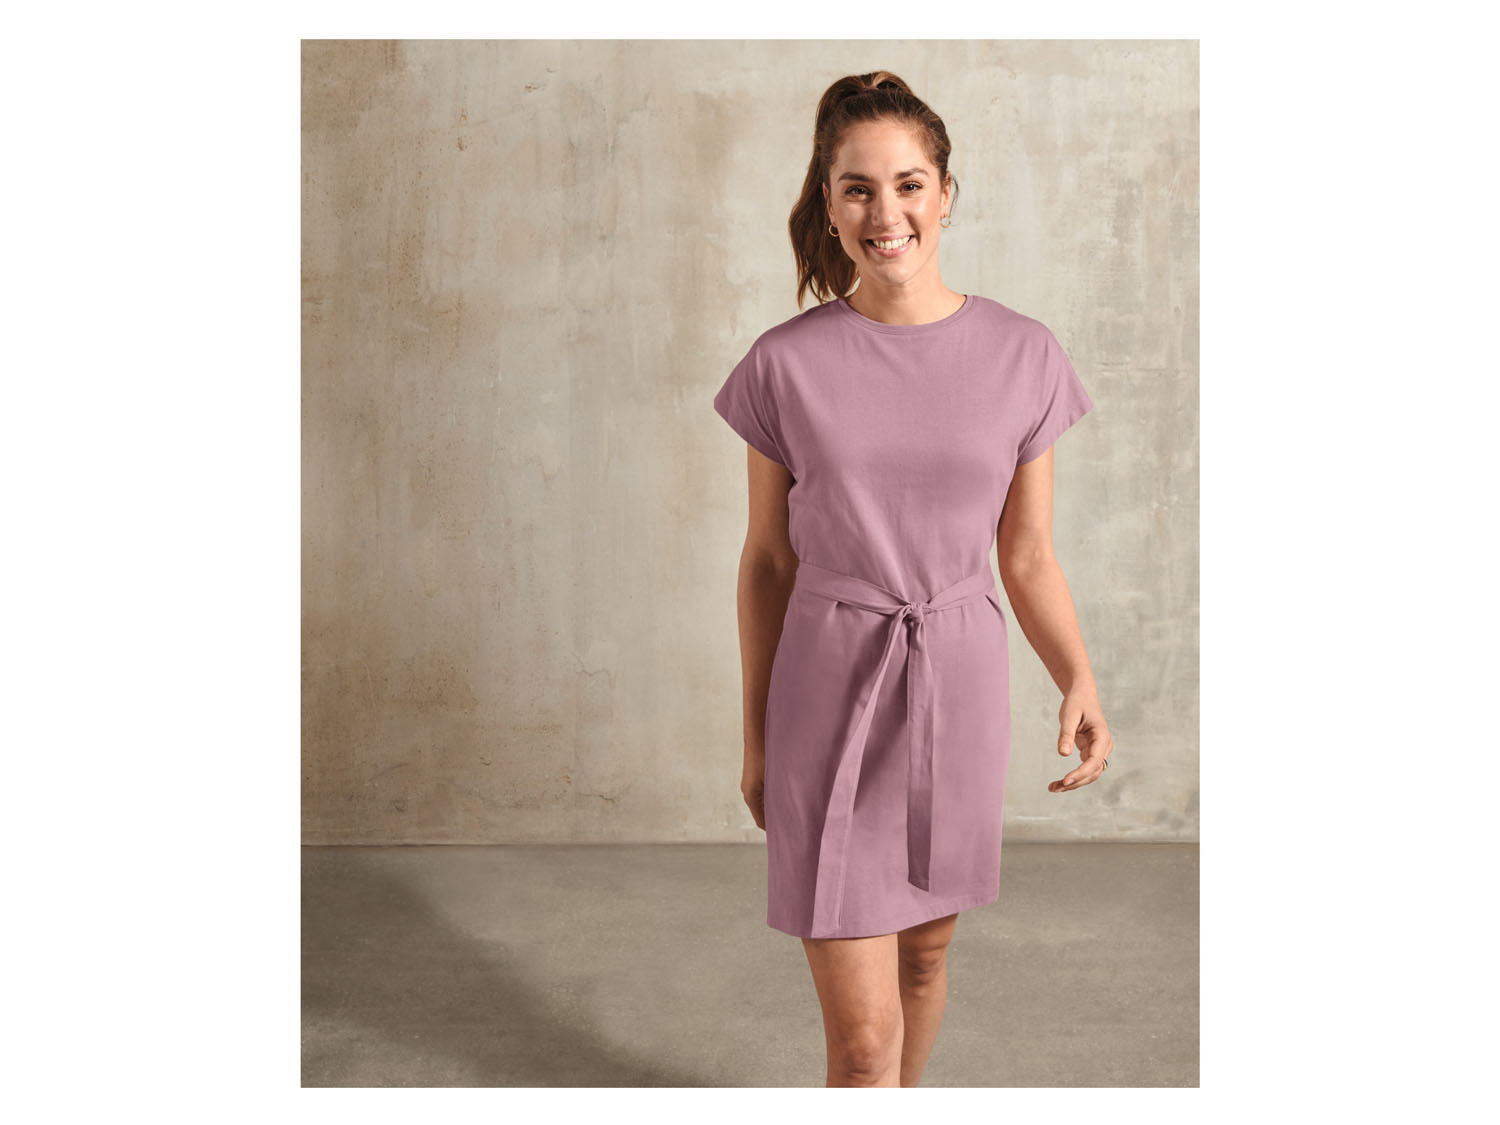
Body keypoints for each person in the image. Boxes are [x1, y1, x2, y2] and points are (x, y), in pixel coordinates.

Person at [713, 71, 1115, 1088]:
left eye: (907, 185)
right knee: (862, 1048)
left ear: (944, 193)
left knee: (928, 958)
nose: (883, 213)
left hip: (959, 685)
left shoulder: (1024, 354)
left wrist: (1077, 675)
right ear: (827, 202)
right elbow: (768, 561)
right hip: (828, 688)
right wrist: (757, 734)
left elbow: (1026, 554)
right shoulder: (783, 365)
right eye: (857, 188)